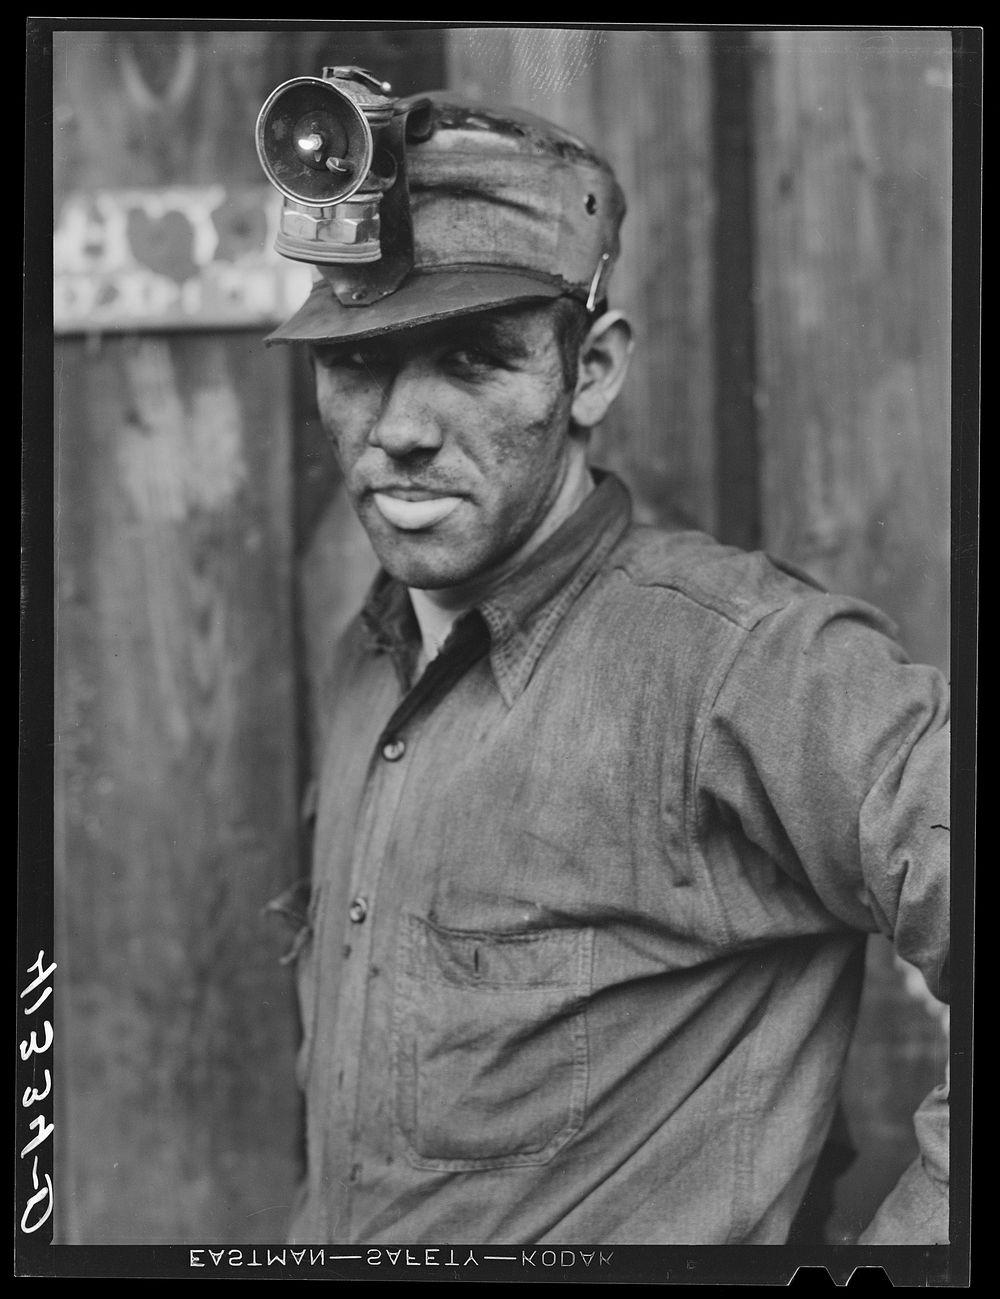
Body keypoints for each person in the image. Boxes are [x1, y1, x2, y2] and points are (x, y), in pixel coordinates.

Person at [262, 83, 949, 1246]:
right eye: (357, 358)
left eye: (475, 358)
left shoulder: (740, 662)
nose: (400, 426)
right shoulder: (372, 654)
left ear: (590, 374)